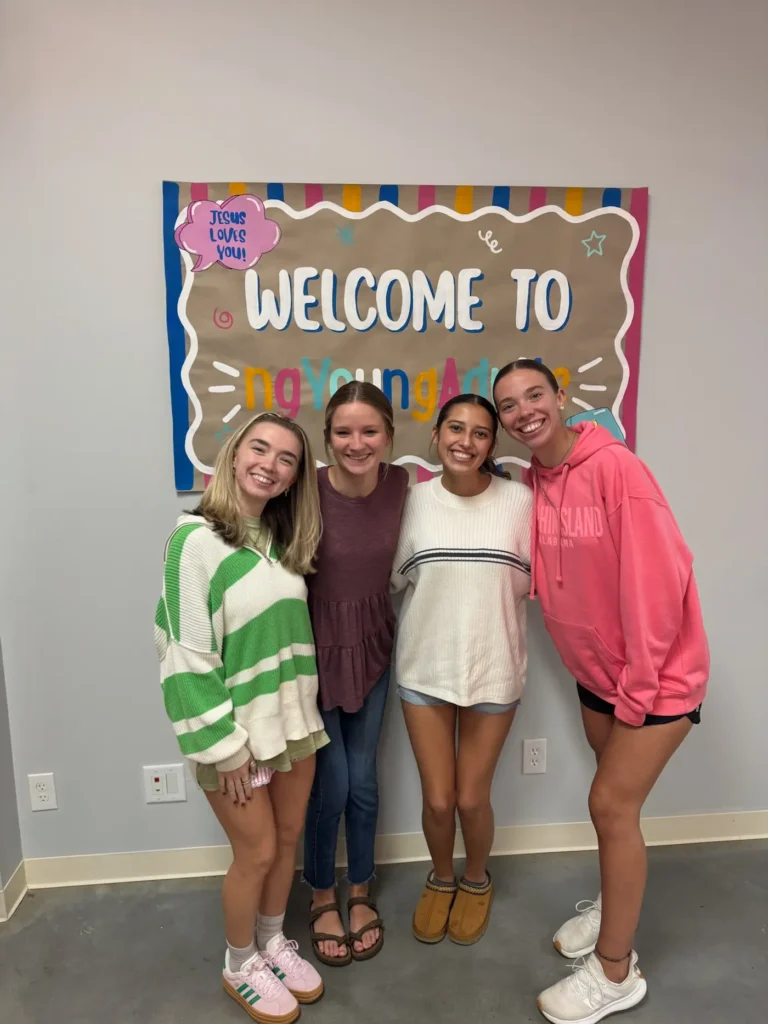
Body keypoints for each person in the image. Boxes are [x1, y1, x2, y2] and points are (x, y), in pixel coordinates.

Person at [493, 359, 709, 1024]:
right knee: (615, 810)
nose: (524, 410)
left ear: (562, 397)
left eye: (535, 394)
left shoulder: (617, 469)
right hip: (598, 679)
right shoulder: (536, 481)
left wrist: (638, 689)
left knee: (609, 805)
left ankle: (616, 971)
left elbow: (659, 582)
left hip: (657, 680)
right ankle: (615, 908)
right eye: (508, 405)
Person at [154, 412, 328, 1024]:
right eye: (260, 448)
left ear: (294, 478)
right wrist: (225, 747)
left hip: (295, 724)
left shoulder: (281, 542)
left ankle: (272, 942)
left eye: (287, 459)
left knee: (287, 843)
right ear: (233, 454)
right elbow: (184, 654)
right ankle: (239, 963)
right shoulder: (193, 541)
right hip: (237, 738)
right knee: (255, 853)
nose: (270, 465)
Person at [391, 393, 533, 947]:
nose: (465, 442)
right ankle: (441, 877)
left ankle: (476, 879)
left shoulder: (520, 502)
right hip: (424, 670)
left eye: (479, 433)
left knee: (472, 799)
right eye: (455, 428)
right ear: (435, 435)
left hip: (494, 668)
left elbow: (543, 580)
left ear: (492, 444)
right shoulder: (412, 503)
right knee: (438, 799)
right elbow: (394, 580)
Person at [303, 382, 408, 966]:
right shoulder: (305, 489)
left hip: (372, 649)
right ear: (327, 438)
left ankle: (361, 886)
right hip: (313, 652)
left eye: (369, 431)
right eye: (344, 432)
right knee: (333, 784)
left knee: (364, 781)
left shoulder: (402, 486)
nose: (357, 443)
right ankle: (322, 892)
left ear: (389, 436)